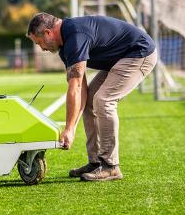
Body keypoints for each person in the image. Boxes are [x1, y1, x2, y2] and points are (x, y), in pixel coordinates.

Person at [26, 13, 157, 181]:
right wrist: (71, 127)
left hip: (139, 53)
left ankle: (111, 166)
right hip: (118, 60)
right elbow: (81, 89)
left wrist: (69, 129)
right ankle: (96, 162)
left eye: (39, 42)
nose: (41, 48)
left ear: (48, 33)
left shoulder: (76, 34)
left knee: (104, 100)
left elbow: (76, 86)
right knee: (90, 100)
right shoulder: (64, 46)